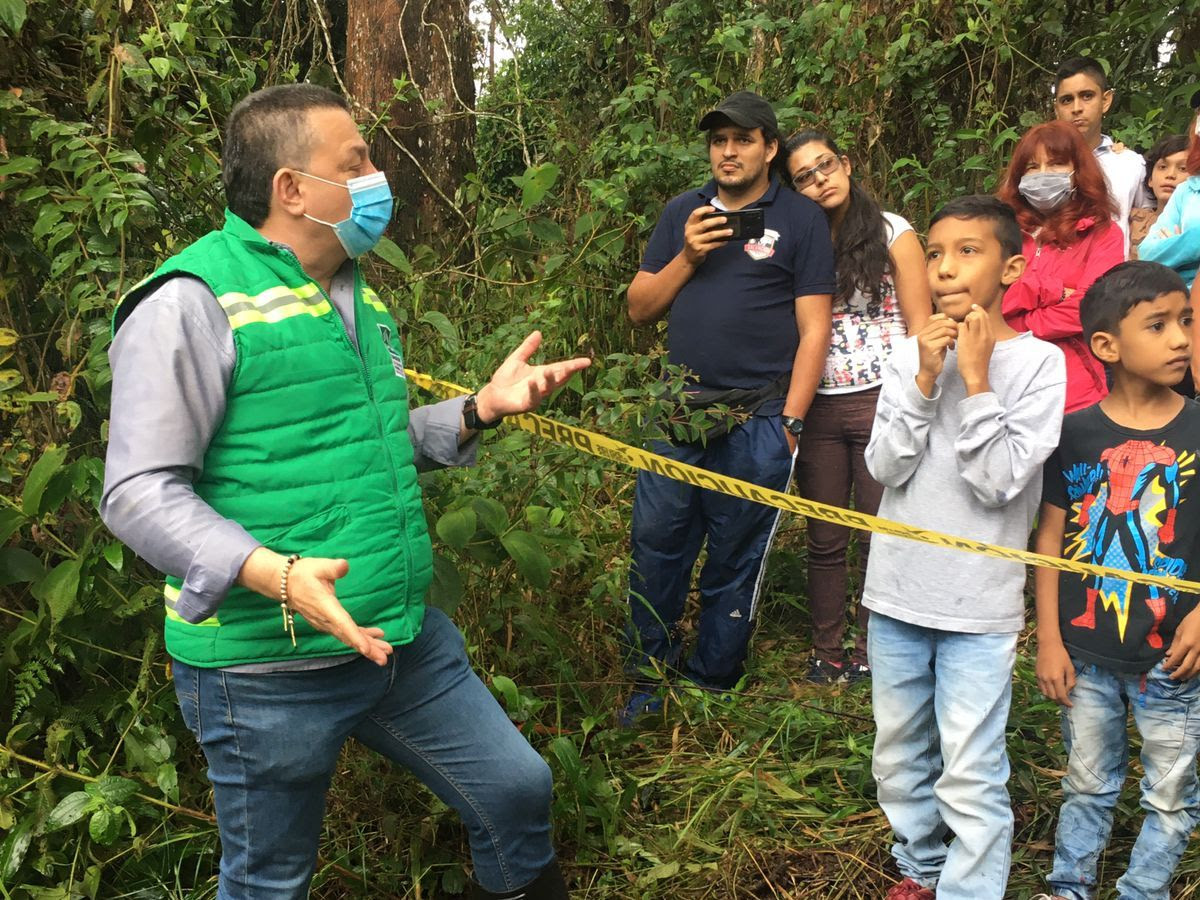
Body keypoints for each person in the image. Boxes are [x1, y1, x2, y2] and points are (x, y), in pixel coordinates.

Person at [100, 84, 591, 900]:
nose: (377, 176)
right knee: (269, 881)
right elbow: (138, 491)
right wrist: (278, 574)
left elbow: (365, 445)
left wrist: (476, 411)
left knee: (515, 791)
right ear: (291, 188)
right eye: (355, 162)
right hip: (264, 666)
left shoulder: (358, 298)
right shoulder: (192, 302)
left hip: (396, 638)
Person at [865, 195, 1066, 900]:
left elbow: (1001, 483)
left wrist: (975, 381)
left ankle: (970, 889)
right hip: (896, 592)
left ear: (1012, 266)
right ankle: (918, 866)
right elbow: (884, 468)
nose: (946, 268)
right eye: (938, 253)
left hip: (979, 609)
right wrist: (924, 380)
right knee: (896, 752)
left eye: (968, 251)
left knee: (971, 764)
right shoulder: (906, 352)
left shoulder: (1040, 366)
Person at [620, 90, 835, 724]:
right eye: (719, 140)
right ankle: (647, 679)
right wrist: (687, 255)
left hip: (760, 417)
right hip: (676, 413)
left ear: (770, 148)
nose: (728, 150)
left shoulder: (799, 220)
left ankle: (713, 681)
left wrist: (792, 422)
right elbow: (639, 309)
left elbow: (814, 328)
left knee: (736, 554)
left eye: (743, 139)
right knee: (656, 548)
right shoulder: (680, 213)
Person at [1031, 260, 1200, 900]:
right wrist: (1050, 639)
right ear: (1106, 345)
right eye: (1157, 325)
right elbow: (1051, 539)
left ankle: (1143, 891)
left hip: (1176, 661)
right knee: (1086, 782)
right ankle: (1068, 886)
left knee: (1170, 795)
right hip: (1088, 655)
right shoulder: (1074, 435)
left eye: (1184, 320)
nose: (1181, 338)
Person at [782, 130, 931, 684]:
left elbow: (919, 325)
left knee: (878, 533)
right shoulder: (799, 237)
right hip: (818, 403)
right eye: (804, 176)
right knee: (824, 539)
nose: (820, 179)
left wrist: (916, 400)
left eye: (825, 166)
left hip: (881, 402)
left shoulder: (894, 232)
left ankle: (874, 648)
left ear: (846, 165)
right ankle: (827, 650)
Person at [998, 120, 1124, 412]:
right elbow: (982, 297)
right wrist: (1054, 290)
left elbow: (1090, 310)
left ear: (1078, 171)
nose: (1042, 175)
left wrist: (1013, 324)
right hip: (1003, 386)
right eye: (1031, 167)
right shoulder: (1001, 231)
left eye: (1055, 164)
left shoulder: (1103, 234)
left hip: (1073, 393)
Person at [1053, 55, 1153, 255]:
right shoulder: (1041, 166)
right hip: (1051, 282)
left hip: (1115, 281)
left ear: (1106, 100)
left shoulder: (1130, 164)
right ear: (1057, 109)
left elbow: (1147, 224)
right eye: (1067, 100)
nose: (1076, 108)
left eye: (1087, 96)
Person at [1140, 101, 1200, 292]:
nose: (1171, 175)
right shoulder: (1187, 190)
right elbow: (1147, 254)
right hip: (1184, 304)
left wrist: (1177, 248)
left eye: (1181, 168)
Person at [1129, 133, 1190, 256]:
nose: (1170, 175)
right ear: (1150, 179)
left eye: (1183, 168)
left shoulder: (1194, 226)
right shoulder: (1130, 220)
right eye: (1162, 167)